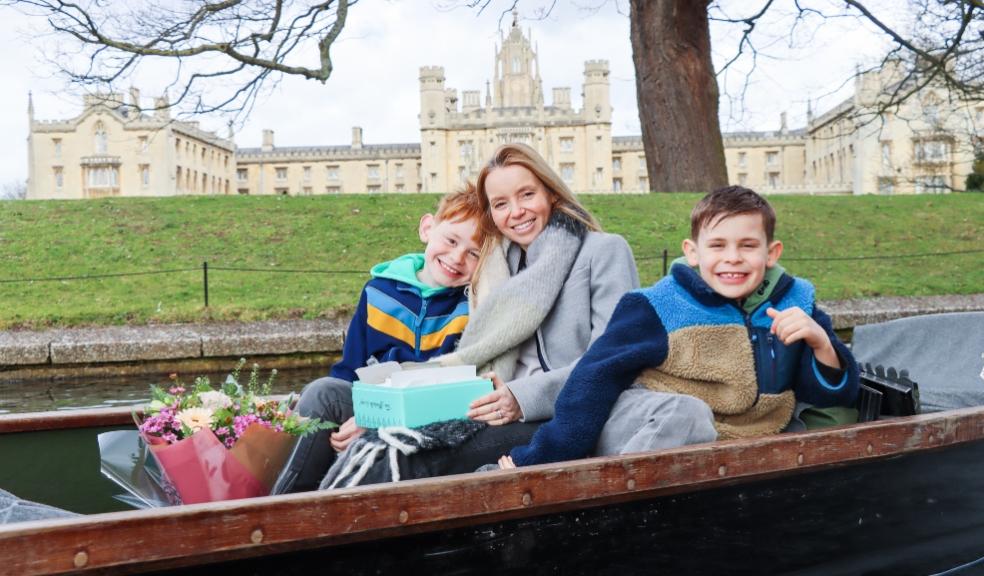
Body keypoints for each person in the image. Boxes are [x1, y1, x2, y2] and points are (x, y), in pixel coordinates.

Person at [320, 143, 714, 488]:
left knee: (683, 413)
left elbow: (608, 358)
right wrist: (383, 411)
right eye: (500, 203)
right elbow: (469, 358)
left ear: (551, 192)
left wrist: (522, 397)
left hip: (572, 407)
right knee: (383, 441)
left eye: (527, 194)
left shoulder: (603, 251)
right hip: (494, 408)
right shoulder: (494, 262)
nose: (516, 212)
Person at [502, 185, 859, 468]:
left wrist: (820, 344)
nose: (732, 257)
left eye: (747, 246)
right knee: (688, 413)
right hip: (648, 423)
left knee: (827, 427)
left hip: (743, 437)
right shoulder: (659, 306)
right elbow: (593, 378)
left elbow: (832, 396)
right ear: (693, 252)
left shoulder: (796, 302)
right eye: (717, 246)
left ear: (771, 253)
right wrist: (541, 458)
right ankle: (619, 505)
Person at [273, 184, 485, 493]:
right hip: (369, 401)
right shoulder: (378, 291)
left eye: (474, 252)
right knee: (322, 393)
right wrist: (347, 418)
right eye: (451, 240)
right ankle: (284, 501)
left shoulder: (470, 305)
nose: (456, 257)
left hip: (430, 415)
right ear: (427, 228)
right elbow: (350, 370)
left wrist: (374, 420)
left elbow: (449, 388)